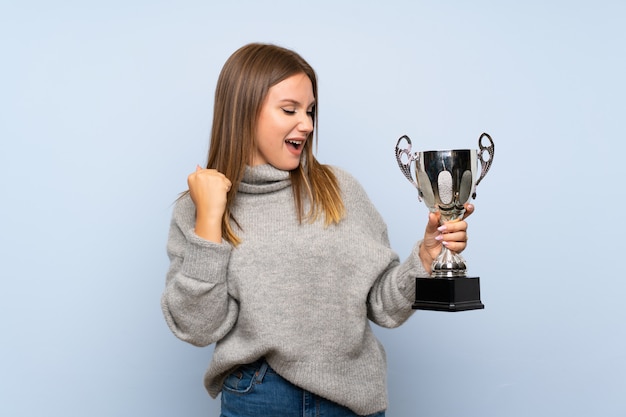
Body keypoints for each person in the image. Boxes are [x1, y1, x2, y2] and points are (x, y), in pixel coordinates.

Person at [161, 43, 473, 417]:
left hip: (353, 398)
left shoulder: (340, 190)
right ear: (243, 112)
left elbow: (383, 307)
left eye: (310, 111)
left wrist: (423, 259)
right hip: (259, 397)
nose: (307, 124)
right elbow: (197, 328)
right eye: (289, 110)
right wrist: (210, 220)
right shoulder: (198, 206)